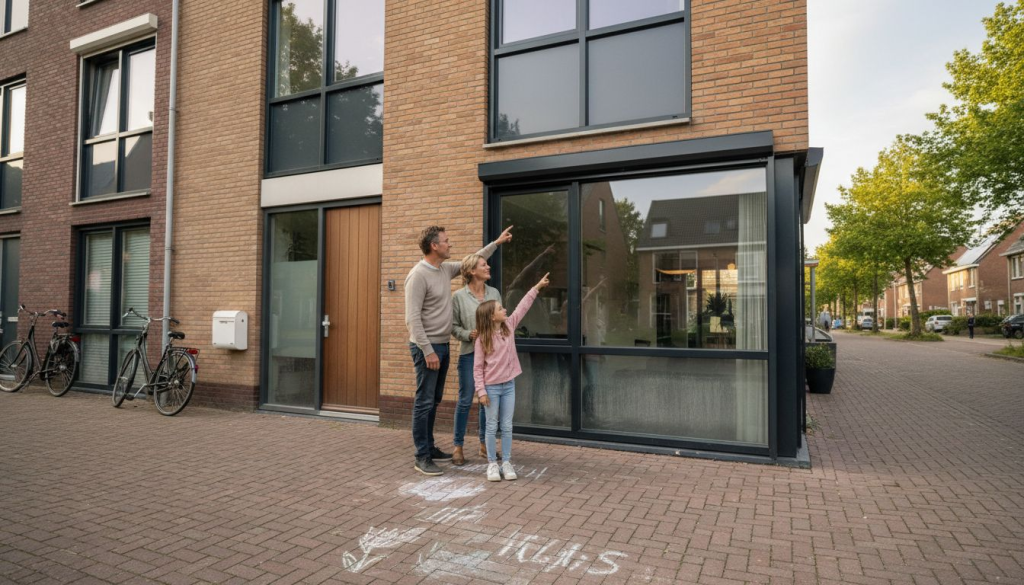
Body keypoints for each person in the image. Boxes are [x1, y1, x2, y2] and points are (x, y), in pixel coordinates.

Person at [405, 225, 512, 476]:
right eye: (446, 241)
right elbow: (412, 319)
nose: (449, 244)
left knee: (435, 399)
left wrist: (495, 243)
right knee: (423, 401)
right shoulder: (418, 275)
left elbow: (472, 260)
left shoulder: (443, 269)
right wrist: (428, 350)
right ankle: (421, 456)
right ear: (434, 246)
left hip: (441, 346)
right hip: (427, 347)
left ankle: (430, 448)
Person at [474, 272, 550, 482]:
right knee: (491, 425)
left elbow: (523, 306)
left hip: (508, 386)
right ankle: (491, 464)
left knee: (507, 426)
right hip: (491, 388)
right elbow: (477, 368)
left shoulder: (509, 327)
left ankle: (506, 462)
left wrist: (537, 287)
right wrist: (481, 392)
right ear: (491, 316)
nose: (505, 309)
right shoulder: (482, 339)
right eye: (500, 308)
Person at [451, 254, 502, 466]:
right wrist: (467, 335)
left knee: (486, 400)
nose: (488, 267)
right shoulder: (458, 297)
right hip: (469, 354)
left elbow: (500, 320)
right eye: (484, 265)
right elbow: (453, 327)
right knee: (465, 401)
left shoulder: (494, 293)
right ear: (472, 271)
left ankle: (484, 445)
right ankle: (458, 447)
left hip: (491, 355)